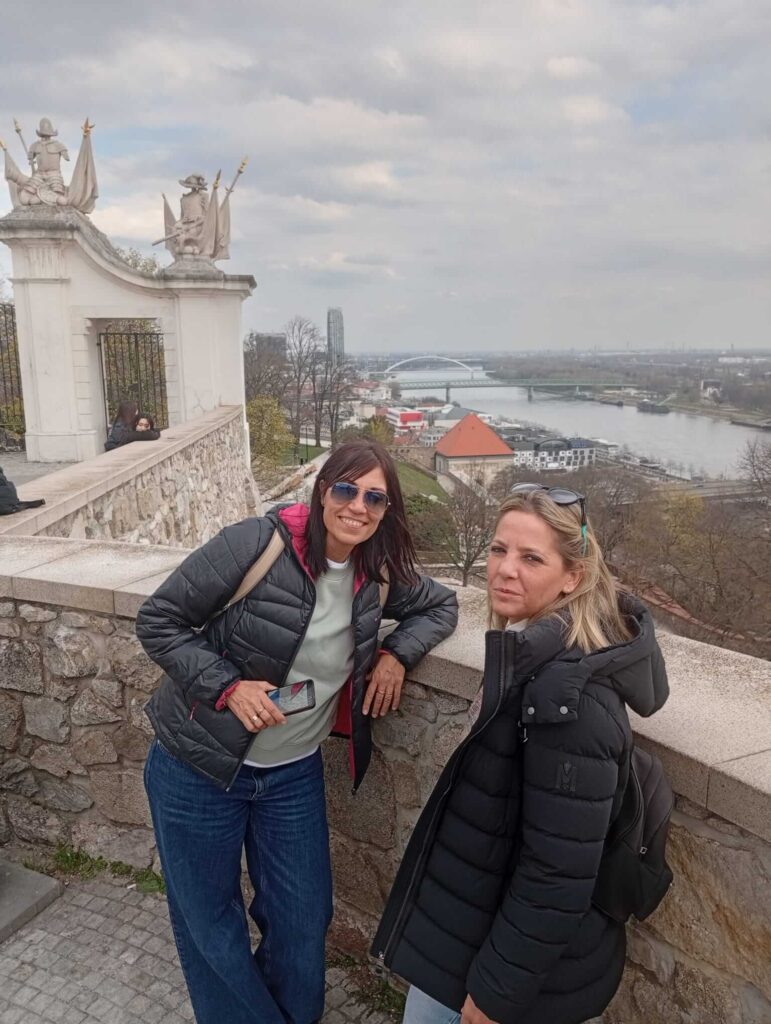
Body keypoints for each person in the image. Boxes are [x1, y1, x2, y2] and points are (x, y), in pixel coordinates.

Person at [136, 439, 458, 1024]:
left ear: (388, 510)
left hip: (291, 774)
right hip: (198, 769)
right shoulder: (255, 544)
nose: (357, 506)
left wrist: (397, 655)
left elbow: (442, 607)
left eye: (375, 497)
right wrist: (229, 687)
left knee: (304, 915)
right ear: (321, 489)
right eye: (345, 489)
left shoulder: (379, 573)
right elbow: (159, 620)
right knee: (211, 921)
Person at [373, 483, 669, 1024]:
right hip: (475, 933)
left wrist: (491, 999)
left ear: (572, 577)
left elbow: (556, 878)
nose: (505, 570)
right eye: (498, 550)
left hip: (507, 978)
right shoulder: (531, 653)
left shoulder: (567, 702)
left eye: (532, 558)